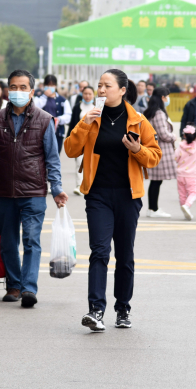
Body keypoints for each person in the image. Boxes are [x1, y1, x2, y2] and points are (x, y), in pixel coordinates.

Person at [64, 69, 161, 332]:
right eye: (99, 86)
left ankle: (123, 308)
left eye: (107, 85)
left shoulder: (138, 121)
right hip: (98, 195)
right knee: (99, 251)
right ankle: (96, 310)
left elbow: (155, 156)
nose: (102, 90)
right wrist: (84, 123)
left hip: (128, 196)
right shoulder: (91, 118)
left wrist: (137, 149)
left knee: (125, 255)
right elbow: (70, 149)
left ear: (122, 89)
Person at [0, 69, 67, 308]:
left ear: (32, 91)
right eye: (13, 87)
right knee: (8, 241)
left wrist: (56, 188)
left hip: (33, 191)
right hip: (5, 192)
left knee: (31, 240)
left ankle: (29, 288)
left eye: (22, 87)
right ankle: (14, 285)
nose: (17, 92)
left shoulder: (43, 119)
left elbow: (52, 158)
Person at [144, 87, 176, 217]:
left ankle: (153, 208)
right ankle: (153, 209)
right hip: (160, 150)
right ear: (163, 97)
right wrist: (174, 137)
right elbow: (163, 134)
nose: (168, 99)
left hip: (156, 148)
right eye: (167, 96)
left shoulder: (152, 112)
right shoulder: (159, 113)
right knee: (156, 181)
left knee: (156, 181)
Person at [67, 85, 95, 195]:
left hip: (92, 140)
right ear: (82, 95)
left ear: (93, 95)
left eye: (90, 94)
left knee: (91, 163)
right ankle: (79, 185)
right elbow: (73, 124)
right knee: (79, 162)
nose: (87, 96)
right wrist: (70, 138)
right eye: (85, 94)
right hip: (80, 138)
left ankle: (88, 184)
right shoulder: (77, 107)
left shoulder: (96, 108)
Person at [34, 74, 72, 153]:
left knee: (55, 155)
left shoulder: (62, 100)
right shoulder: (39, 98)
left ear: (55, 86)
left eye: (52, 85)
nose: (49, 87)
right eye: (47, 85)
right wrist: (44, 96)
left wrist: (59, 119)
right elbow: (34, 108)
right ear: (44, 86)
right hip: (41, 132)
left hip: (57, 133)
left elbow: (68, 115)